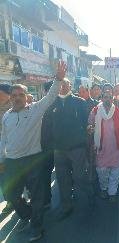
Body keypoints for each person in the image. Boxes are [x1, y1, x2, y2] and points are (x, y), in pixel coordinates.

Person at [0, 61, 66, 242]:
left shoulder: (35, 110)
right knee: (12, 195)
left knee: (37, 196)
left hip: (32, 159)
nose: (18, 97)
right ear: (10, 98)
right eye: (14, 95)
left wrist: (58, 79)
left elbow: (51, 96)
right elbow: (3, 139)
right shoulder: (6, 116)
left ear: (26, 96)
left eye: (21, 94)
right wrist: (2, 159)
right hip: (12, 161)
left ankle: (36, 227)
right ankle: (28, 214)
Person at [51, 78, 94, 221]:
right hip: (58, 149)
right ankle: (66, 206)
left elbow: (86, 124)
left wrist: (85, 139)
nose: (62, 86)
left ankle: (89, 193)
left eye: (65, 84)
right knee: (62, 180)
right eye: (60, 84)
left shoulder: (79, 102)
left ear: (70, 86)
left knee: (79, 176)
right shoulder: (52, 102)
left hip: (77, 148)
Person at [89, 83, 119, 202]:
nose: (107, 99)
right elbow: (90, 124)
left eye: (109, 97)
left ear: (112, 98)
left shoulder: (118, 111)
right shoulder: (95, 111)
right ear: (102, 98)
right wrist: (90, 128)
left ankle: (112, 192)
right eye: (105, 97)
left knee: (115, 171)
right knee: (101, 170)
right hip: (101, 147)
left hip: (116, 147)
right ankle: (104, 188)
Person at [40, 81, 55, 210]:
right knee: (45, 173)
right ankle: (46, 199)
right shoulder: (40, 106)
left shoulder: (64, 103)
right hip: (46, 147)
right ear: (45, 92)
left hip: (63, 146)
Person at [0, 84, 13, 214]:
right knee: (3, 175)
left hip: (14, 146)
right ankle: (10, 200)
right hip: (1, 147)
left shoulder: (15, 106)